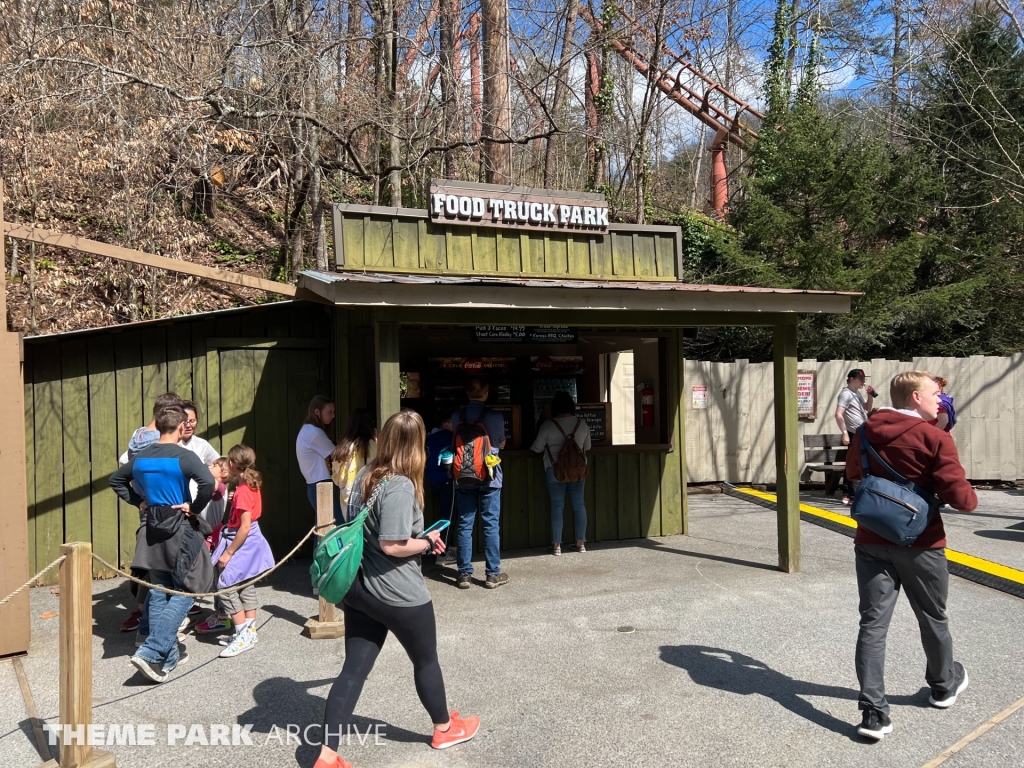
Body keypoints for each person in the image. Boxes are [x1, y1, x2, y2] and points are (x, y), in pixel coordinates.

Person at [314, 410, 479, 768]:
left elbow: (373, 533)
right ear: (417, 445)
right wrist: (427, 542)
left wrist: (414, 538)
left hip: (360, 590)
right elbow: (392, 545)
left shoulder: (363, 476)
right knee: (426, 661)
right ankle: (444, 728)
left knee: (353, 670)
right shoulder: (401, 485)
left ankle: (327, 757)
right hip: (399, 593)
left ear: (385, 439)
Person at [845, 371, 977, 741]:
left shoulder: (864, 433)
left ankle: (873, 714)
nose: (940, 401)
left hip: (871, 539)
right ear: (915, 398)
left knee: (872, 625)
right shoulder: (935, 437)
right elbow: (963, 500)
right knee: (933, 616)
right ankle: (942, 685)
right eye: (935, 394)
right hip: (923, 543)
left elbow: (854, 473)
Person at [109, 404, 215, 683]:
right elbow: (207, 482)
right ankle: (152, 651)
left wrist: (138, 501)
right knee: (187, 589)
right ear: (181, 427)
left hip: (152, 526)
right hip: (179, 527)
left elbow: (116, 480)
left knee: (158, 590)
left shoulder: (141, 458)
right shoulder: (184, 456)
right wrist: (193, 507)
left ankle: (166, 659)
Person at [118, 391, 184, 634]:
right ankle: (156, 629)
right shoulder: (157, 440)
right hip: (163, 508)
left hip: (146, 504)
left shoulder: (138, 436)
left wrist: (137, 500)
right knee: (165, 574)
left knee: (155, 570)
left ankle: (147, 625)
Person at [211, 445, 275, 658]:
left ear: (232, 464)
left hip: (243, 539)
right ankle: (249, 629)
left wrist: (228, 552)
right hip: (244, 536)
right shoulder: (244, 486)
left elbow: (245, 526)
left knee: (226, 586)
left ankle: (243, 634)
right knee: (245, 583)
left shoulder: (244, 491)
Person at [450, 378, 509, 590]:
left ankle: (464, 573)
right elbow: (500, 442)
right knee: (490, 524)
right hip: (490, 475)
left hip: (464, 475)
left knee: (465, 524)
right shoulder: (495, 416)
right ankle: (493, 574)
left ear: (467, 394)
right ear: (486, 394)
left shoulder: (457, 416)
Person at [530, 391, 592, 556]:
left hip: (554, 470)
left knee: (557, 507)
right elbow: (588, 448)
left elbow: (536, 448)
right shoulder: (582, 424)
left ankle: (557, 545)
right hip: (578, 470)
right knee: (579, 506)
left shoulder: (548, 426)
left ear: (554, 407)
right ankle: (581, 543)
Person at [195, 457, 234, 637]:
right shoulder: (210, 486)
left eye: (215, 465)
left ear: (225, 474)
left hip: (215, 539)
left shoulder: (220, 488)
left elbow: (216, 488)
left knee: (219, 578)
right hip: (208, 536)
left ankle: (223, 616)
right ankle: (219, 613)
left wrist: (194, 468)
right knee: (215, 578)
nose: (210, 467)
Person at [296, 395, 341, 522]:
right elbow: (336, 454)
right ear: (317, 412)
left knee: (323, 531)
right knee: (338, 527)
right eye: (329, 412)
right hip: (321, 486)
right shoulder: (314, 432)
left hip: (316, 485)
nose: (333, 415)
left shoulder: (307, 429)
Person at [835, 369, 876, 505]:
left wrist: (870, 396)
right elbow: (838, 414)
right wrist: (845, 433)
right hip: (853, 433)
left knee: (859, 462)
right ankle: (849, 494)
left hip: (861, 432)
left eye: (864, 380)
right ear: (852, 379)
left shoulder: (856, 393)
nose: (863, 382)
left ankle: (851, 493)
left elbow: (867, 408)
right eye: (861, 380)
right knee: (854, 463)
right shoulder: (845, 394)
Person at [331, 407, 377, 511]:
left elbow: (338, 480)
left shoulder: (342, 447)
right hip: (365, 501)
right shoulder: (371, 445)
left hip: (346, 502)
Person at [425, 415, 456, 563]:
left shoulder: (431, 438)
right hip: (447, 480)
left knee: (443, 516)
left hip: (433, 480)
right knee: (448, 517)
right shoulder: (449, 436)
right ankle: (443, 553)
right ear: (445, 423)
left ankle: (434, 548)